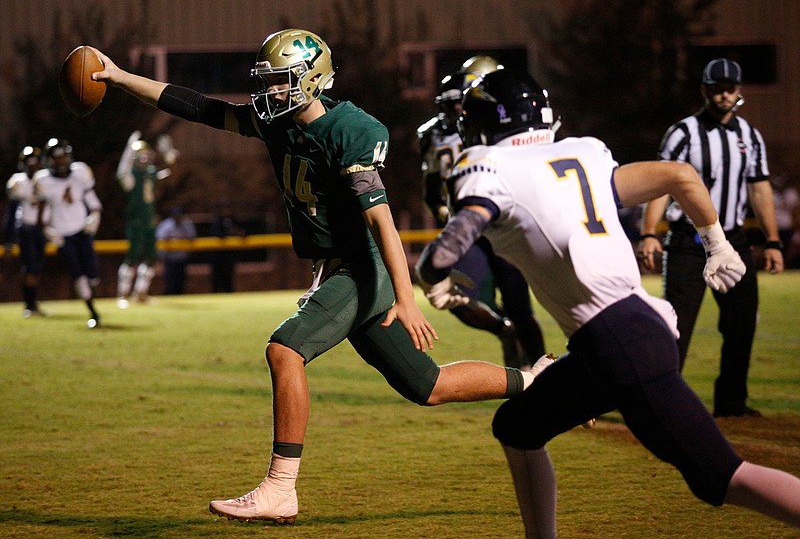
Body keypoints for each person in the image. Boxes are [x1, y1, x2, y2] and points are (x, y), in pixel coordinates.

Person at [91, 28, 542, 524]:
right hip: (337, 268)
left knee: (285, 350)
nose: (269, 93)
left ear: (311, 80)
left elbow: (382, 222)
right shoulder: (277, 124)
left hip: (362, 268)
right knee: (427, 385)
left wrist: (406, 297)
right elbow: (196, 106)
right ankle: (538, 379)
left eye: (280, 82)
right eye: (265, 82)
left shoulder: (351, 130)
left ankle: (281, 488)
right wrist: (118, 78)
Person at [416, 68, 800, 537]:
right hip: (622, 333)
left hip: (621, 342)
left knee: (719, 477)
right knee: (517, 426)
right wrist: (716, 243)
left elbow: (453, 243)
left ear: (485, 125)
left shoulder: (490, 166)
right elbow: (680, 175)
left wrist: (433, 274)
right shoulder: (583, 154)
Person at [640, 58, 784, 418]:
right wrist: (648, 233)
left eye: (730, 88)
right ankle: (662, 400)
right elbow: (660, 182)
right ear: (704, 90)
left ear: (739, 91)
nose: (724, 94)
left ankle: (732, 401)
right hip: (688, 240)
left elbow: (760, 189)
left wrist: (773, 241)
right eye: (716, 87)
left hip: (733, 239)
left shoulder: (749, 135)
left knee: (742, 320)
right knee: (676, 324)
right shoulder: (683, 132)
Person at [417, 55, 546, 369]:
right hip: (469, 230)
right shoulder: (434, 133)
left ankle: (541, 369)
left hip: (504, 223)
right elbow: (432, 188)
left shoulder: (511, 125)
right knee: (454, 293)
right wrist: (448, 218)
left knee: (520, 306)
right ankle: (504, 330)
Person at [34, 139, 102, 328]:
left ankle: (93, 305)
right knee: (78, 275)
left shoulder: (80, 173)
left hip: (82, 231)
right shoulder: (43, 181)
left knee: (93, 276)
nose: (61, 162)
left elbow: (92, 201)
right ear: (49, 160)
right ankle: (93, 312)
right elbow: (43, 213)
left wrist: (94, 217)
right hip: (63, 236)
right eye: (57, 159)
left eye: (63, 157)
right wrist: (48, 230)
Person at [116, 131, 175, 307]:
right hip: (136, 222)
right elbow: (121, 175)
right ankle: (123, 294)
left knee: (151, 257)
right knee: (132, 257)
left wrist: (171, 158)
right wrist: (128, 149)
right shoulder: (131, 174)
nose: (144, 158)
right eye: (139, 155)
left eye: (145, 155)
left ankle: (141, 292)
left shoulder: (150, 172)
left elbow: (166, 176)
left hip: (149, 221)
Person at [5, 145, 48, 317]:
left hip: (41, 229)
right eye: (29, 163)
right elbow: (12, 211)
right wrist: (8, 239)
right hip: (25, 229)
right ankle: (29, 305)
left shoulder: (46, 180)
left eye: (35, 163)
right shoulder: (18, 182)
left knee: (36, 267)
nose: (33, 167)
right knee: (30, 267)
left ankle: (32, 304)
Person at [155, 206, 196, 295]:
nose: (178, 217)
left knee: (181, 280)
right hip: (170, 258)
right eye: (176, 215)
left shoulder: (187, 224)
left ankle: (179, 295)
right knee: (170, 280)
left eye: (179, 215)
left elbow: (192, 238)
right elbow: (160, 240)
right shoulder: (166, 225)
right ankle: (169, 295)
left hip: (182, 257)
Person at [209, 198, 245, 293]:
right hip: (218, 256)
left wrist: (239, 232)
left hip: (229, 256)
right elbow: (216, 234)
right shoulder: (217, 221)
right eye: (224, 208)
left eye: (229, 207)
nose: (227, 210)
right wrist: (229, 232)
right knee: (216, 281)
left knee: (228, 280)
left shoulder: (235, 220)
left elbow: (243, 233)